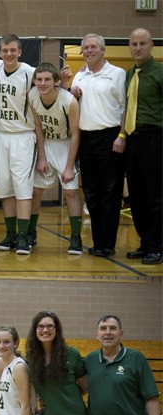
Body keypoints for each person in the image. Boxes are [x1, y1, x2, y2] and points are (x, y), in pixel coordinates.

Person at [67, 34, 126, 257]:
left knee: (109, 192)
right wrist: (74, 95)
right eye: (85, 48)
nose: (89, 51)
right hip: (86, 138)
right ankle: (97, 242)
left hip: (110, 137)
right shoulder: (79, 76)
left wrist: (121, 135)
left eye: (93, 47)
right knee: (90, 193)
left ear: (103, 51)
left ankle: (108, 244)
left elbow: (125, 107)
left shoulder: (117, 74)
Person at [0, 34, 44, 255]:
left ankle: (24, 237)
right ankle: (11, 234)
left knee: (23, 190)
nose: (9, 54)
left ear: (20, 51)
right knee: (5, 190)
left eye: (13, 50)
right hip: (0, 136)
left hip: (22, 137)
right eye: (5, 50)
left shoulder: (31, 73)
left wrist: (41, 154)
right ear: (0, 52)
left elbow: (40, 114)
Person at [29, 63, 83, 255]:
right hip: (45, 144)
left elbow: (76, 134)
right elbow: (38, 128)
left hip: (66, 144)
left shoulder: (69, 101)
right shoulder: (32, 96)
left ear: (57, 82)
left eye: (47, 79)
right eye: (39, 79)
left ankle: (76, 238)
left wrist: (69, 166)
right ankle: (31, 233)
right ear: (34, 81)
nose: (42, 83)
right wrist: (41, 157)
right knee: (35, 191)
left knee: (70, 193)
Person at [122, 28, 162, 265]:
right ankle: (145, 242)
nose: (138, 48)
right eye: (134, 44)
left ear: (151, 45)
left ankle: (158, 246)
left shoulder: (160, 72)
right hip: (133, 139)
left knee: (155, 197)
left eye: (142, 44)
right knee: (136, 196)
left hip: (155, 138)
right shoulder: (129, 74)